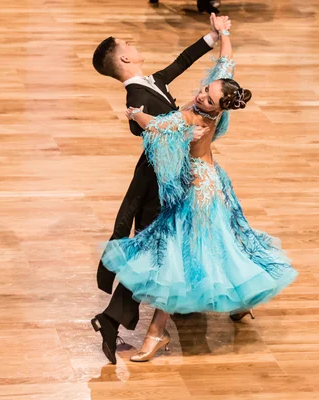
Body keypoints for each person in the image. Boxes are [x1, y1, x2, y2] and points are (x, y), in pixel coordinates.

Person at [101, 16, 298, 362]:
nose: (201, 94)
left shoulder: (195, 118)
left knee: (185, 254)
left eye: (207, 97)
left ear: (218, 108)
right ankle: (239, 305)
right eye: (206, 90)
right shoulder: (220, 99)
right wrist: (223, 34)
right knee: (225, 242)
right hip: (214, 180)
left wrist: (135, 115)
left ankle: (156, 333)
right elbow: (224, 64)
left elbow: (158, 127)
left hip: (195, 189)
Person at [91, 14, 231, 365]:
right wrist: (182, 132)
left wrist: (212, 37)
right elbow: (150, 131)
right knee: (157, 253)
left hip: (166, 179)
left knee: (161, 251)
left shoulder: (147, 84)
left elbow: (180, 63)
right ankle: (115, 319)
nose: (135, 44)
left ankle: (126, 317)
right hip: (161, 186)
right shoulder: (138, 94)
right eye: (129, 45)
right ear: (124, 59)